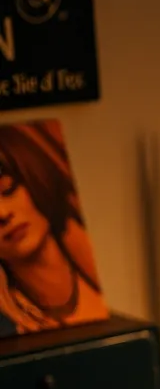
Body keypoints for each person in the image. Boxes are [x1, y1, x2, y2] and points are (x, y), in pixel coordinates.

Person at [0, 121, 107, 337]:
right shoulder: (11, 321)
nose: (3, 214)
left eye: (8, 189)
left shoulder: (91, 270)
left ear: (36, 176)